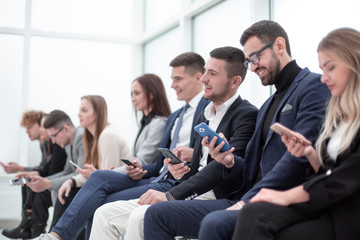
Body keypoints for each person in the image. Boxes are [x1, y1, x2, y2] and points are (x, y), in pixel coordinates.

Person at [143, 20, 331, 240]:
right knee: (156, 215)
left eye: (256, 57)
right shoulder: (266, 106)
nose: (252, 67)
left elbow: (298, 159)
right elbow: (251, 166)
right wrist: (229, 161)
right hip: (247, 195)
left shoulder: (313, 86)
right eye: (248, 60)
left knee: (215, 223)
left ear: (279, 46)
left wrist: (248, 200)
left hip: (280, 198)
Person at [89, 46, 258, 240]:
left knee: (139, 216)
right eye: (205, 72)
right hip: (192, 189)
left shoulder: (246, 114)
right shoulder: (204, 115)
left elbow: (224, 167)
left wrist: (171, 195)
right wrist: (182, 169)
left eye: (212, 73)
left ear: (235, 81)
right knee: (104, 213)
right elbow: (199, 166)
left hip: (218, 195)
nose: (203, 78)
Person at [38, 52, 210, 240]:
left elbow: (202, 158)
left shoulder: (206, 110)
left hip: (176, 182)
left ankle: (57, 235)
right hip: (156, 177)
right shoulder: (174, 117)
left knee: (97, 200)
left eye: (178, 79)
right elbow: (156, 164)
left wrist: (187, 157)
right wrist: (140, 169)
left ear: (198, 78)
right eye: (172, 79)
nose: (172, 85)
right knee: (98, 176)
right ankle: (56, 235)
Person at [232, 27, 360, 240]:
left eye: (330, 68)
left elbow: (347, 178)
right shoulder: (340, 117)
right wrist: (310, 153)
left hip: (349, 212)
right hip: (330, 203)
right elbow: (329, 171)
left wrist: (285, 196)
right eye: (322, 69)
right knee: (254, 213)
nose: (323, 78)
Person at [50, 95, 132, 236]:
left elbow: (107, 178)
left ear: (97, 113)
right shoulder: (96, 137)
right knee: (70, 192)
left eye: (84, 110)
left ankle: (54, 235)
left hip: (123, 185)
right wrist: (72, 180)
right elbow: (98, 173)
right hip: (111, 183)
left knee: (71, 197)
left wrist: (88, 176)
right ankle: (54, 235)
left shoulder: (107, 136)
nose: (78, 114)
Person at [1, 111, 67, 239]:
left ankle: (33, 231)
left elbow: (50, 170)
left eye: (29, 127)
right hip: (56, 179)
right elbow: (45, 168)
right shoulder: (45, 144)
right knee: (27, 183)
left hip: (59, 182)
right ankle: (26, 227)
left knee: (36, 191)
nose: (26, 131)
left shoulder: (55, 143)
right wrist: (23, 170)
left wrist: (24, 170)